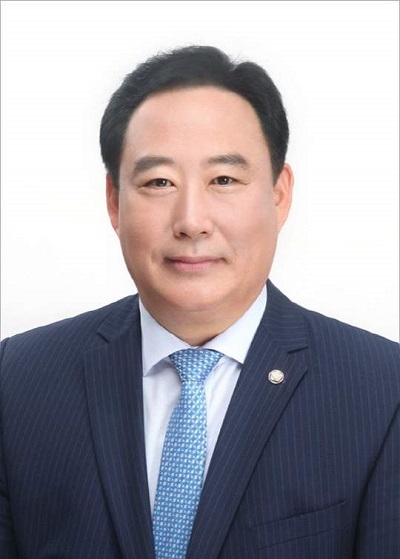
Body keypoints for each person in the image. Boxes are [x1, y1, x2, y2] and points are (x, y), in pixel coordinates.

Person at [0, 45, 399, 559]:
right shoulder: (17, 381)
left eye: (224, 180)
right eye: (159, 182)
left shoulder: (382, 392)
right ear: (115, 201)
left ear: (279, 194)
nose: (191, 221)